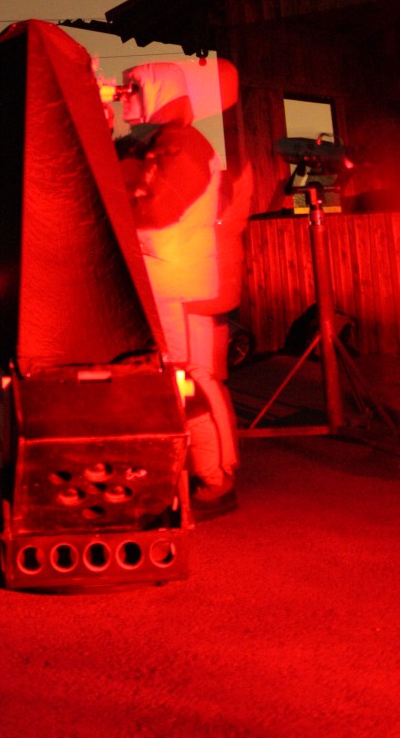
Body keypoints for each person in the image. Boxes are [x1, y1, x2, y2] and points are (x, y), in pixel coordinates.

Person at [111, 62, 242, 519]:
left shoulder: (181, 148)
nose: (122, 96)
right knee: (177, 386)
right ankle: (195, 475)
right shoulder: (163, 144)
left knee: (194, 385)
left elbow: (152, 211)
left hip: (182, 290)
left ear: (158, 91)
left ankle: (217, 479)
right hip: (170, 286)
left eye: (132, 89)